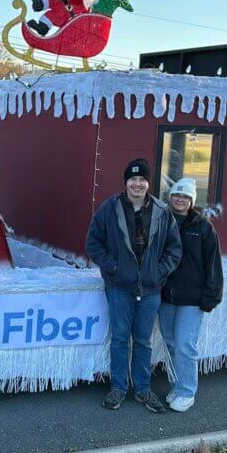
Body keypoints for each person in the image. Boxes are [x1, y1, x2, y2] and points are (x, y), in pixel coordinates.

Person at [85, 158, 182, 413]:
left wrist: (159, 271)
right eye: (133, 179)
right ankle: (118, 387)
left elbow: (174, 248)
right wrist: (114, 267)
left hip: (150, 289)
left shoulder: (162, 212)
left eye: (142, 179)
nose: (137, 184)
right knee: (119, 338)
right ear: (126, 182)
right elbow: (94, 244)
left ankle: (142, 389)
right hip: (119, 287)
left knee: (143, 340)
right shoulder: (110, 209)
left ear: (148, 183)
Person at [158, 178, 224, 413]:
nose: (180, 199)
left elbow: (213, 264)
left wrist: (211, 296)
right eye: (177, 195)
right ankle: (176, 385)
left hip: (192, 298)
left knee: (185, 344)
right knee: (170, 343)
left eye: (185, 197)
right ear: (171, 197)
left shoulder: (203, 227)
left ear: (191, 201)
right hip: (166, 297)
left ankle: (187, 391)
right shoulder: (162, 221)